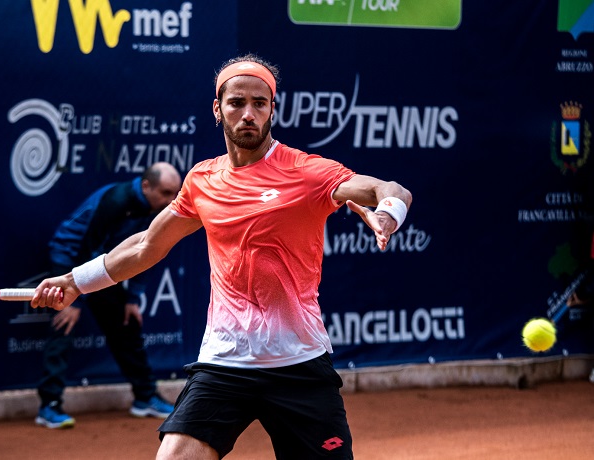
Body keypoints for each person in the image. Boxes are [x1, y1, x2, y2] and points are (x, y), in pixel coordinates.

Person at [31, 53, 412, 459]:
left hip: (298, 363)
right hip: (225, 363)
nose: (248, 114)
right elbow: (147, 245)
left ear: (272, 110)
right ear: (218, 109)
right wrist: (74, 282)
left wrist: (387, 213)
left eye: (259, 104)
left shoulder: (306, 171)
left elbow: (387, 188)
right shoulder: (202, 180)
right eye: (236, 103)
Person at [35, 162, 183, 429]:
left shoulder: (159, 210)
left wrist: (131, 299)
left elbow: (146, 253)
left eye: (175, 193)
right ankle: (49, 406)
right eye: (165, 193)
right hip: (70, 258)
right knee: (64, 325)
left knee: (126, 325)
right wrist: (75, 297)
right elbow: (87, 246)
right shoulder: (117, 200)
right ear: (146, 186)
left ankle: (145, 397)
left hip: (101, 264)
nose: (171, 200)